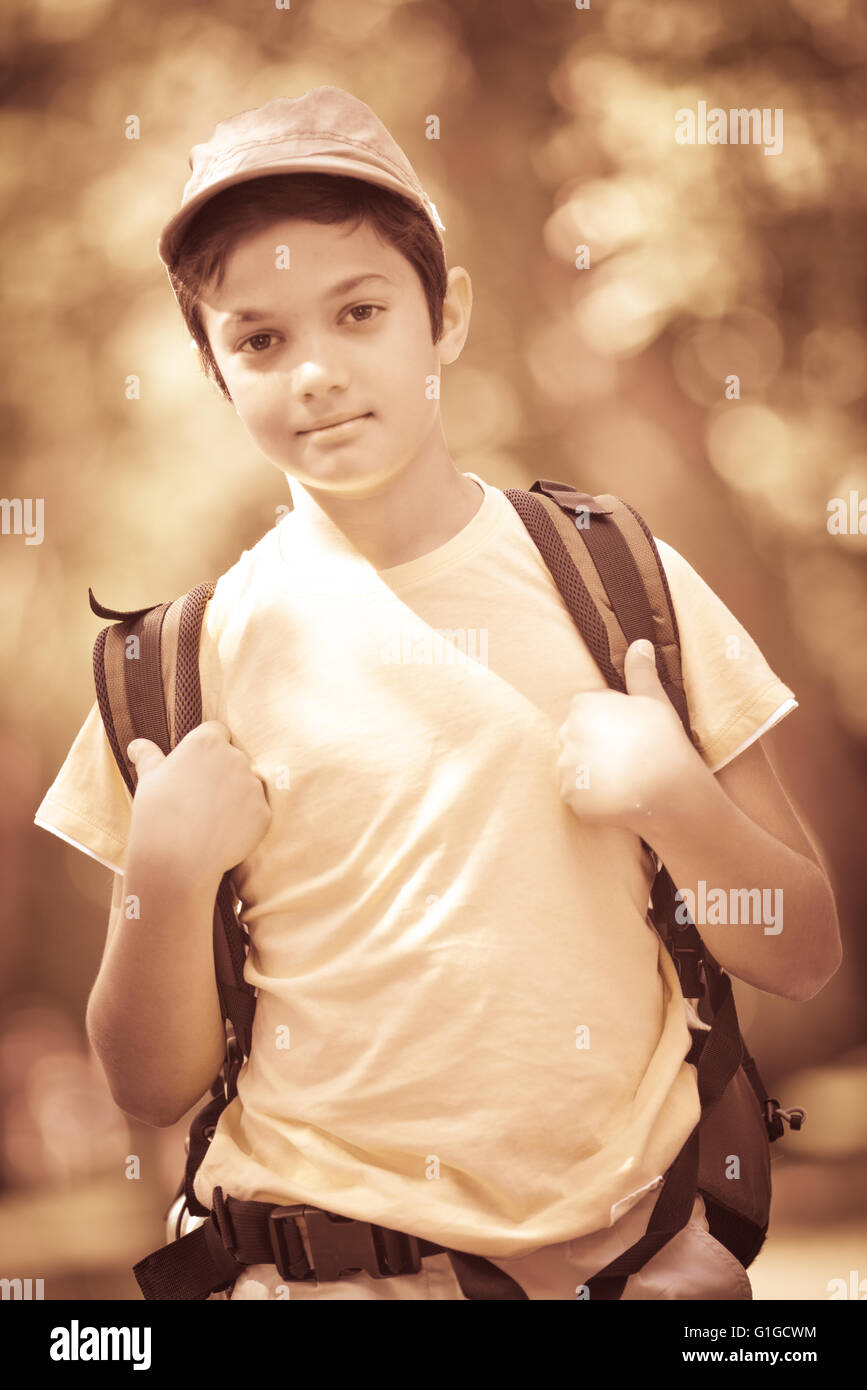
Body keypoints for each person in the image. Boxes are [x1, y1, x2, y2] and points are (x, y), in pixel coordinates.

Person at [33, 87, 841, 1301]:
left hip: (637, 1262)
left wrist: (679, 799)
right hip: (320, 1275)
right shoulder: (179, 669)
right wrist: (164, 872)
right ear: (211, 368)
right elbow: (147, 1086)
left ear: (444, 316)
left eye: (360, 312)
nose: (315, 372)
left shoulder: (615, 583)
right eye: (258, 340)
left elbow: (807, 949)